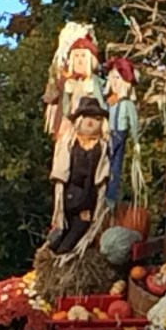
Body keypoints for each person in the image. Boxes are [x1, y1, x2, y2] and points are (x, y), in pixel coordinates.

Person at [47, 97, 110, 255]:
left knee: (81, 226)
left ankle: (63, 252)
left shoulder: (101, 147)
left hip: (88, 196)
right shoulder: (69, 143)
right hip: (69, 193)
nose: (90, 123)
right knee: (64, 227)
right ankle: (54, 251)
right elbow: (61, 170)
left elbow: (102, 175)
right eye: (87, 117)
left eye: (96, 119)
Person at [43, 26, 107, 141]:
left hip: (89, 122)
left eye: (83, 56)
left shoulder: (93, 81)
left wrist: (105, 117)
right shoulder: (67, 81)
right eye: (76, 56)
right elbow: (65, 103)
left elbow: (100, 101)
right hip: (71, 122)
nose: (80, 60)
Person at [104, 57, 139, 206]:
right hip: (108, 134)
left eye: (118, 78)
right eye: (113, 78)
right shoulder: (109, 101)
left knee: (116, 166)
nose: (116, 82)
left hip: (119, 134)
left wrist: (136, 140)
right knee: (105, 163)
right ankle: (102, 193)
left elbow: (134, 122)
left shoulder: (127, 104)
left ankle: (111, 196)